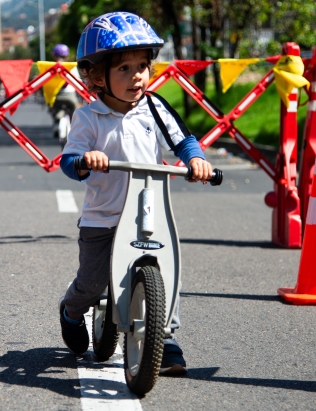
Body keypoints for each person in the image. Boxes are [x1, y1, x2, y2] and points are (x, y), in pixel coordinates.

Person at [58, 12, 214, 376]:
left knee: (164, 270)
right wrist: (86, 160)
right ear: (98, 76)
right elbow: (68, 161)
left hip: (150, 214)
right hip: (104, 217)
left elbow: (183, 140)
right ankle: (71, 309)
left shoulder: (154, 108)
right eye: (124, 68)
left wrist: (196, 160)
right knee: (92, 282)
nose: (137, 76)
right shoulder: (89, 117)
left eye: (142, 65)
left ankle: (166, 337)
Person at [50, 44, 80, 139]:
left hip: (56, 96)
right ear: (67, 56)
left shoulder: (51, 67)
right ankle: (75, 130)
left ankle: (56, 123)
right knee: (74, 111)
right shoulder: (71, 67)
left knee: (54, 108)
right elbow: (78, 82)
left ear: (54, 56)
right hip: (70, 96)